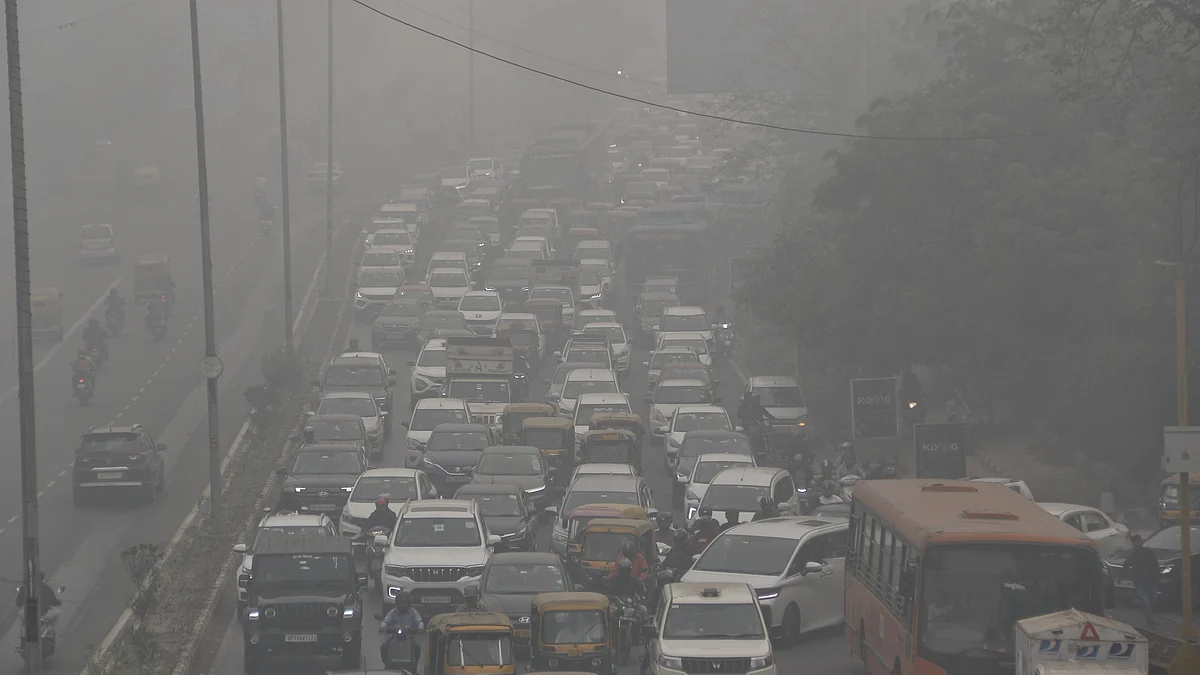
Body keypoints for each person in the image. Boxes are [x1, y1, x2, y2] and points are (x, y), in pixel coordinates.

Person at [1123, 534, 1159, 626]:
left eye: (1138, 541)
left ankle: (1149, 616)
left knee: (1152, 601)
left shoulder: (1148, 552)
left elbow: (1155, 564)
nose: (1137, 544)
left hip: (1150, 580)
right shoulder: (1134, 554)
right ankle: (1151, 620)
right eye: (1136, 542)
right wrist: (1131, 574)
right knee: (1147, 601)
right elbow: (1126, 565)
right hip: (1140, 581)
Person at [380, 590, 424, 666]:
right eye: (400, 603)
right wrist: (383, 627)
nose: (402, 605)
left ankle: (414, 664)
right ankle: (386, 663)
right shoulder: (393, 612)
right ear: (397, 603)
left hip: (409, 638)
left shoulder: (413, 612)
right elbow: (385, 621)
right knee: (384, 647)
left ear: (409, 603)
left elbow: (419, 621)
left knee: (417, 647)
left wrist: (420, 628)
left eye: (404, 602)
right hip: (394, 637)